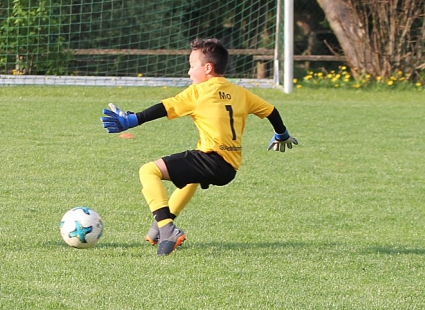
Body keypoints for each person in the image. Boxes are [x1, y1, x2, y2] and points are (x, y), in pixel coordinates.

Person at [101, 37, 297, 256]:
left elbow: (165, 107)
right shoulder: (241, 93)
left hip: (211, 159)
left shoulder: (199, 92)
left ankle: (167, 229)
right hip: (230, 168)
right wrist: (281, 134)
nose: (189, 71)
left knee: (148, 171)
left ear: (208, 68)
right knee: (190, 177)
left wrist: (133, 119)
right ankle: (158, 229)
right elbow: (271, 111)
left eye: (192, 65)